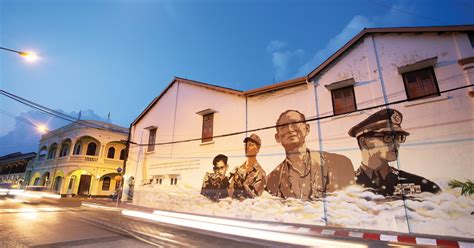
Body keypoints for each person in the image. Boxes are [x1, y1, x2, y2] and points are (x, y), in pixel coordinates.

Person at [348, 108, 441, 196]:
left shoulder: (423, 185)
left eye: (399, 137)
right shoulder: (346, 184)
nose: (396, 144)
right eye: (388, 137)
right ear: (364, 142)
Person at [266, 110, 354, 200]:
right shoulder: (271, 180)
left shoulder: (339, 164)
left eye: (295, 123)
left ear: (307, 129)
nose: (290, 129)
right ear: (277, 137)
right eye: (283, 127)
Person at [228, 133, 266, 199]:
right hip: (233, 207)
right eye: (246, 145)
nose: (247, 147)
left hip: (247, 208)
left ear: (258, 149)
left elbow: (255, 198)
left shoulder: (261, 173)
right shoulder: (238, 169)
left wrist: (243, 183)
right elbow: (230, 194)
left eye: (251, 145)